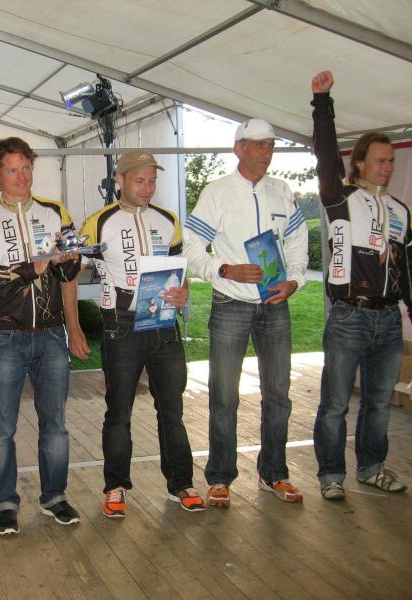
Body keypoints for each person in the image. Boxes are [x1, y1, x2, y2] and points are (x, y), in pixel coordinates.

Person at [310, 71, 412, 500]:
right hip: (349, 316)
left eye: (392, 161)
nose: (388, 167)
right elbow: (326, 155)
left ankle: (372, 468)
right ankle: (331, 475)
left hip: (388, 321)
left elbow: (410, 266)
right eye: (380, 160)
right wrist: (322, 102)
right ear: (359, 162)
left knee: (379, 403)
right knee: (336, 404)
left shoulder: (401, 211)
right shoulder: (339, 198)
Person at [183, 119, 308, 507]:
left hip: (275, 303)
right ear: (238, 148)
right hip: (230, 304)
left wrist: (294, 281)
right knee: (224, 395)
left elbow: (298, 243)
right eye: (259, 145)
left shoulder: (282, 191)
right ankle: (220, 478)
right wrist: (224, 269)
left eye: (271, 145)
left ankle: (275, 473)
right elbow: (191, 247)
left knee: (279, 394)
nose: (267, 152)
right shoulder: (217, 193)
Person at [75, 150, 205, 518]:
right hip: (122, 327)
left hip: (164, 325)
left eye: (152, 181)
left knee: (172, 411)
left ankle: (181, 483)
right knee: (119, 412)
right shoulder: (98, 223)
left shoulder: (168, 220)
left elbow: (181, 272)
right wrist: (73, 325)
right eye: (139, 180)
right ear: (120, 180)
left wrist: (184, 293)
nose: (147, 188)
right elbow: (70, 272)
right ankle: (115, 486)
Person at [0, 136, 81, 535]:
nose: (22, 176)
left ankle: (54, 497)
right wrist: (33, 267)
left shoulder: (55, 211)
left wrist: (69, 260)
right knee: (2, 431)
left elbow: (68, 271)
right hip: (5, 338)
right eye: (12, 170)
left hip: (51, 335)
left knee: (56, 425)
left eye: (27, 167)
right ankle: (5, 504)